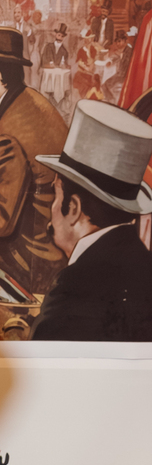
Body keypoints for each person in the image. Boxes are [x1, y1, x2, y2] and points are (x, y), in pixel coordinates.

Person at [30, 99, 152, 341]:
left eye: (56, 194)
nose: (52, 208)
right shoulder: (143, 262)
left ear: (74, 209)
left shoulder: (73, 287)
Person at [0, 28, 67, 295]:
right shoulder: (28, 101)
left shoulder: (8, 133)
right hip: (55, 244)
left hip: (32, 257)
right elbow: (17, 148)